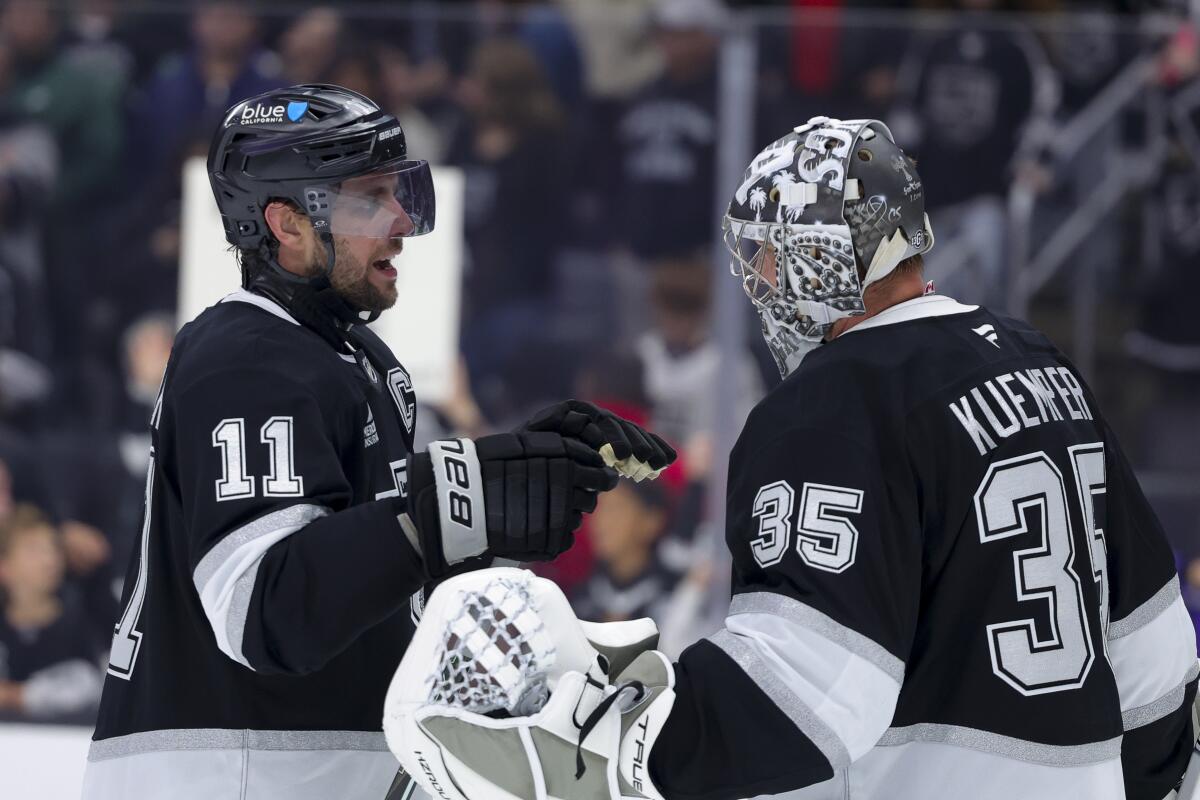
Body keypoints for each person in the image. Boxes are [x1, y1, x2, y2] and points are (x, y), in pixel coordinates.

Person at [394, 118, 1199, 800]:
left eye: (772, 255)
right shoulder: (1037, 362)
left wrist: (614, 739)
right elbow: (1156, 653)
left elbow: (805, 689)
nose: (762, 280)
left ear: (826, 257)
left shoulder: (835, 402)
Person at [82, 83, 673, 800]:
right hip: (226, 771)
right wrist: (452, 499)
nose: (401, 221)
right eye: (370, 199)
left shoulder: (361, 361)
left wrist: (508, 474)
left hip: (308, 769)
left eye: (400, 193)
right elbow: (264, 613)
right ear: (288, 225)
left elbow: (376, 570)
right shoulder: (244, 357)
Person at [0, 504, 104, 723]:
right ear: (5, 567)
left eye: (53, 548)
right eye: (33, 550)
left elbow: (92, 683)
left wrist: (19, 696)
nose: (49, 560)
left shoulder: (79, 623)